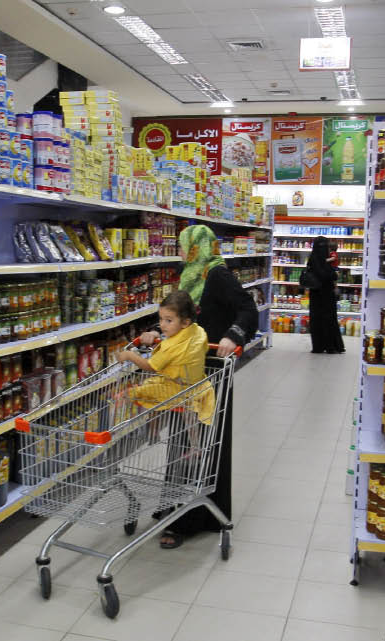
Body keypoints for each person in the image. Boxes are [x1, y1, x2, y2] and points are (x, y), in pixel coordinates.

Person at [140, 224, 257, 549]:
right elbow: (181, 319)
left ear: (196, 247)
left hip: (210, 372)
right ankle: (176, 505)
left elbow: (248, 307)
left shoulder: (216, 274)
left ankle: (189, 519)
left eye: (182, 246)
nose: (178, 252)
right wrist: (155, 331)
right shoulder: (190, 276)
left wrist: (233, 334)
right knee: (181, 440)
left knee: (201, 443)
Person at [119, 290, 216, 423]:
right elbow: (202, 349)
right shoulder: (198, 332)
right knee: (152, 384)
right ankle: (186, 440)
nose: (162, 325)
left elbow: (150, 366)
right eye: (161, 319)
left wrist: (129, 355)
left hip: (177, 390)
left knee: (140, 391)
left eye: (169, 320)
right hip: (199, 386)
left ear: (185, 323)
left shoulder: (171, 346)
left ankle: (123, 401)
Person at [305, 235, 345, 354]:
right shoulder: (324, 259)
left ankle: (318, 346)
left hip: (315, 294)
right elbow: (328, 275)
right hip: (327, 294)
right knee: (329, 319)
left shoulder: (313, 258)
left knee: (316, 319)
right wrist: (334, 275)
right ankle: (330, 346)